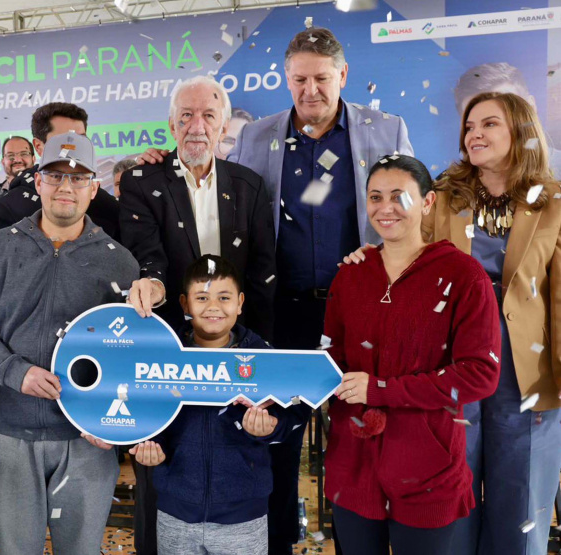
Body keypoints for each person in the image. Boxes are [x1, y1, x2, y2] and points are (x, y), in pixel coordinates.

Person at [224, 27, 414, 554]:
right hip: (280, 318)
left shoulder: (387, 129)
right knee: (276, 444)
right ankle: (279, 544)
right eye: (299, 79)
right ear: (286, 79)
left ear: (344, 76)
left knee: (366, 441)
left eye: (322, 79)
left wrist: (379, 254)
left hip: (359, 317)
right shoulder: (255, 136)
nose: (310, 90)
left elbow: (416, 212)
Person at [0, 132, 139, 554]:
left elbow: (133, 358)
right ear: (37, 181)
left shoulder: (119, 261)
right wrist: (17, 372)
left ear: (94, 188)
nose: (65, 187)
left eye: (78, 178)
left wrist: (113, 426)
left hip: (86, 442)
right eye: (54, 176)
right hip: (11, 435)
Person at [120, 75, 276, 555]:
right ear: (170, 123)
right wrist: (153, 284)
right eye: (185, 115)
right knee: (164, 464)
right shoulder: (141, 181)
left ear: (224, 125)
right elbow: (147, 256)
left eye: (208, 115)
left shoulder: (249, 185)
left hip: (238, 348)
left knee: (238, 452)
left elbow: (264, 272)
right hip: (169, 349)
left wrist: (261, 359)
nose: (196, 125)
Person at [324, 154, 500, 555]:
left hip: (428, 471)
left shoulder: (464, 276)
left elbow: (479, 376)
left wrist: (381, 389)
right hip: (352, 467)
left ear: (427, 202)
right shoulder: (351, 273)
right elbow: (331, 356)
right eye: (375, 197)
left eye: (398, 197)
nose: (385, 208)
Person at [427, 92, 561, 555]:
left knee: (520, 498)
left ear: (520, 131)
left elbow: (560, 296)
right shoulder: (442, 196)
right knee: (449, 490)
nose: (475, 134)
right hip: (451, 365)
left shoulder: (554, 202)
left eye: (489, 124)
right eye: (469, 127)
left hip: (526, 370)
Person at [132, 254, 309, 555]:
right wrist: (151, 446)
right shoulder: (161, 358)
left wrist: (270, 428)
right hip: (176, 513)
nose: (213, 307)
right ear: (185, 304)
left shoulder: (264, 356)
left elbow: (294, 415)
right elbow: (146, 414)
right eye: (202, 297)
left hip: (243, 517)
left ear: (240, 303)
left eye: (224, 297)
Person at [0, 103, 120, 241]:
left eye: (81, 139)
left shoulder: (107, 207)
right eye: (65, 141)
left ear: (93, 188)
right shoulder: (5, 211)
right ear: (38, 147)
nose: (76, 148)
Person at [453, 62, 561, 175]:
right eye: (471, 125)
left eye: (490, 123)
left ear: (531, 107)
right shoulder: (448, 186)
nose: (477, 134)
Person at [0, 136, 35, 202]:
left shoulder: (45, 192)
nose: (17, 160)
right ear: (3, 162)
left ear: (33, 159)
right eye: (10, 155)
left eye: (24, 154)